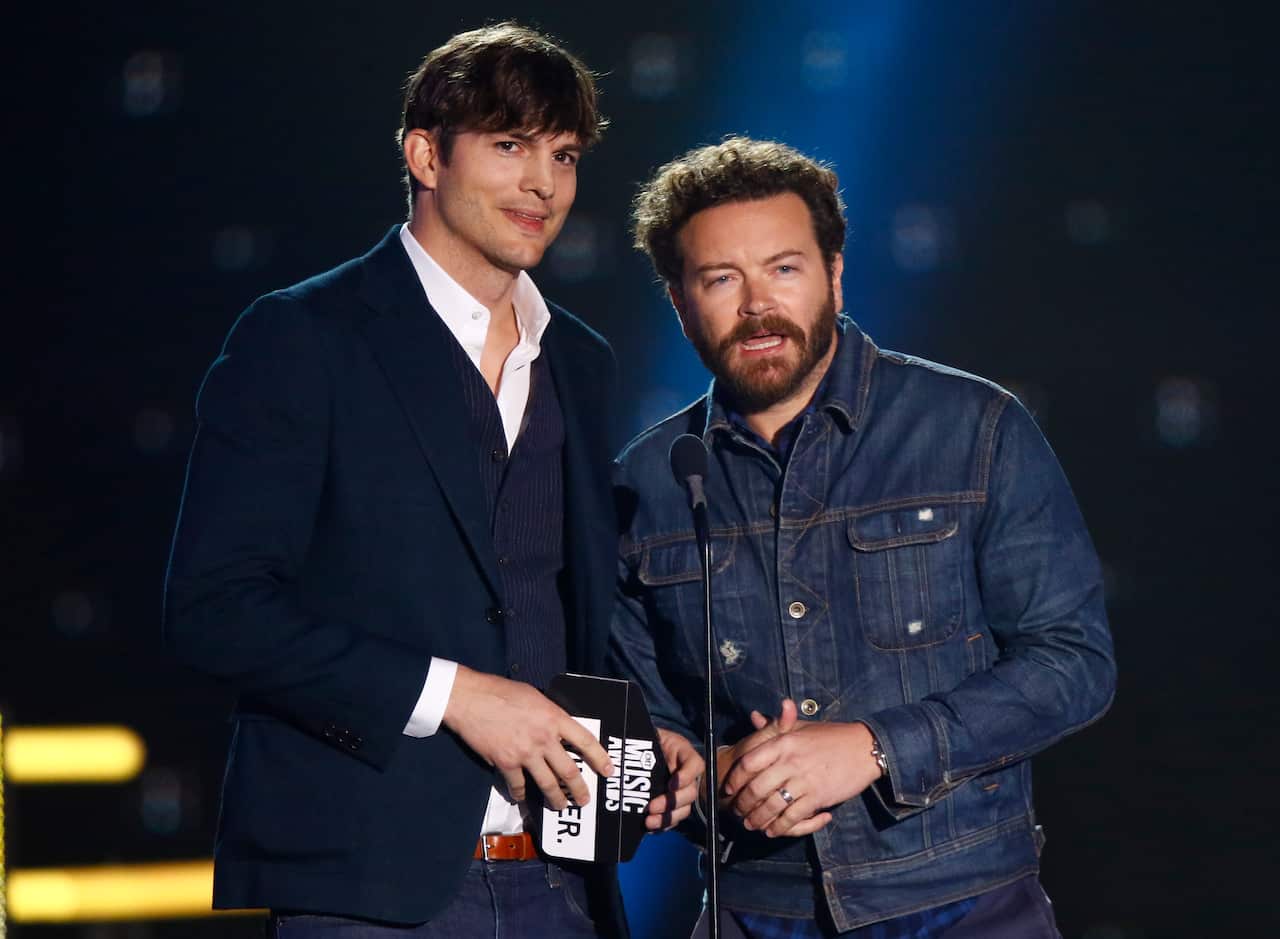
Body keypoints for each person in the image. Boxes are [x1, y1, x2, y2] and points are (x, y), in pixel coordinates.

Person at [164, 22, 698, 938]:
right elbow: (215, 609)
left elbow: (560, 600)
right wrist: (455, 694)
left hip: (564, 884)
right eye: (509, 145)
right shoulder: (304, 338)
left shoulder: (579, 358)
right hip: (372, 890)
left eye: (563, 155)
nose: (543, 184)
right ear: (424, 153)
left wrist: (647, 728)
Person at [608, 137, 1116, 937]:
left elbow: (1074, 662)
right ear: (679, 300)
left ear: (834, 275)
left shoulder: (973, 429)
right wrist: (689, 771)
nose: (756, 305)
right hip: (752, 909)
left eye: (783, 268)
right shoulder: (645, 482)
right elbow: (648, 722)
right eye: (720, 279)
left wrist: (875, 747)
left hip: (963, 902)